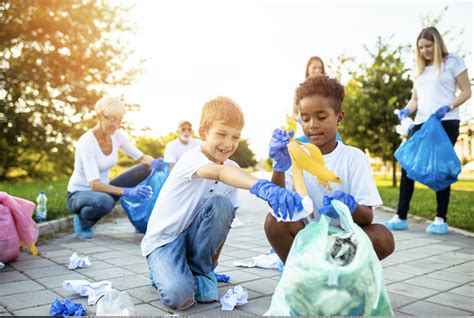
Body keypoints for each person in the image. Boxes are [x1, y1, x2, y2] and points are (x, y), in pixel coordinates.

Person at [141, 96, 303, 310]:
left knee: (222, 206)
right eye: (221, 134)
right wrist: (262, 187)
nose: (228, 143)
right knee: (180, 298)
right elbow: (220, 171)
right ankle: (162, 271)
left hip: (194, 240)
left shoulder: (232, 166)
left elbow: (224, 221)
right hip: (165, 241)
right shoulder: (191, 158)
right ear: (203, 133)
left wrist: (211, 266)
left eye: (235, 137)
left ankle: (197, 269)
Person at [265, 75, 395, 265]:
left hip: (344, 241)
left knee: (384, 237)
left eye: (321, 117)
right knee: (273, 222)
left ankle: (336, 273)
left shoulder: (354, 158)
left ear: (339, 117)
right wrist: (278, 167)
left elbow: (367, 217)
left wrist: (350, 207)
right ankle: (300, 273)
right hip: (307, 237)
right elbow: (277, 205)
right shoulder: (294, 156)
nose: (312, 125)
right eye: (305, 118)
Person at [384, 27, 471, 234]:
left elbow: (467, 91)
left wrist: (448, 107)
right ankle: (401, 216)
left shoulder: (453, 61)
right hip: (421, 122)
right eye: (421, 47)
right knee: (408, 165)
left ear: (437, 43)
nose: (424, 51)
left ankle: (441, 218)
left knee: (440, 169)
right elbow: (416, 99)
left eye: (428, 46)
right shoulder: (421, 70)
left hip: (445, 120)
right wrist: (406, 110)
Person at [66, 96, 168, 239]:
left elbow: (141, 157)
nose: (116, 124)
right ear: (99, 116)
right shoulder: (87, 142)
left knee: (145, 168)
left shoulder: (117, 136)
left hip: (103, 189)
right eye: (112, 119)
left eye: (119, 120)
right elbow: (94, 184)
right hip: (79, 194)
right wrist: (128, 191)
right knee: (105, 202)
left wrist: (154, 162)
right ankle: (83, 220)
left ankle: (140, 218)